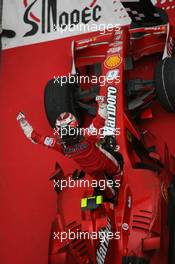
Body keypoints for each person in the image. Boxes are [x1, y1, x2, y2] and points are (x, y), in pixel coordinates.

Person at [16, 103, 120, 178]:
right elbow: (100, 120)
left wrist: (23, 123)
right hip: (104, 162)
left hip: (89, 171)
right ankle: (119, 177)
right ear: (74, 124)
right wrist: (102, 104)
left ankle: (111, 196)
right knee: (116, 169)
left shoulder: (58, 144)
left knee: (102, 184)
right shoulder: (86, 134)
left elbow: (35, 138)